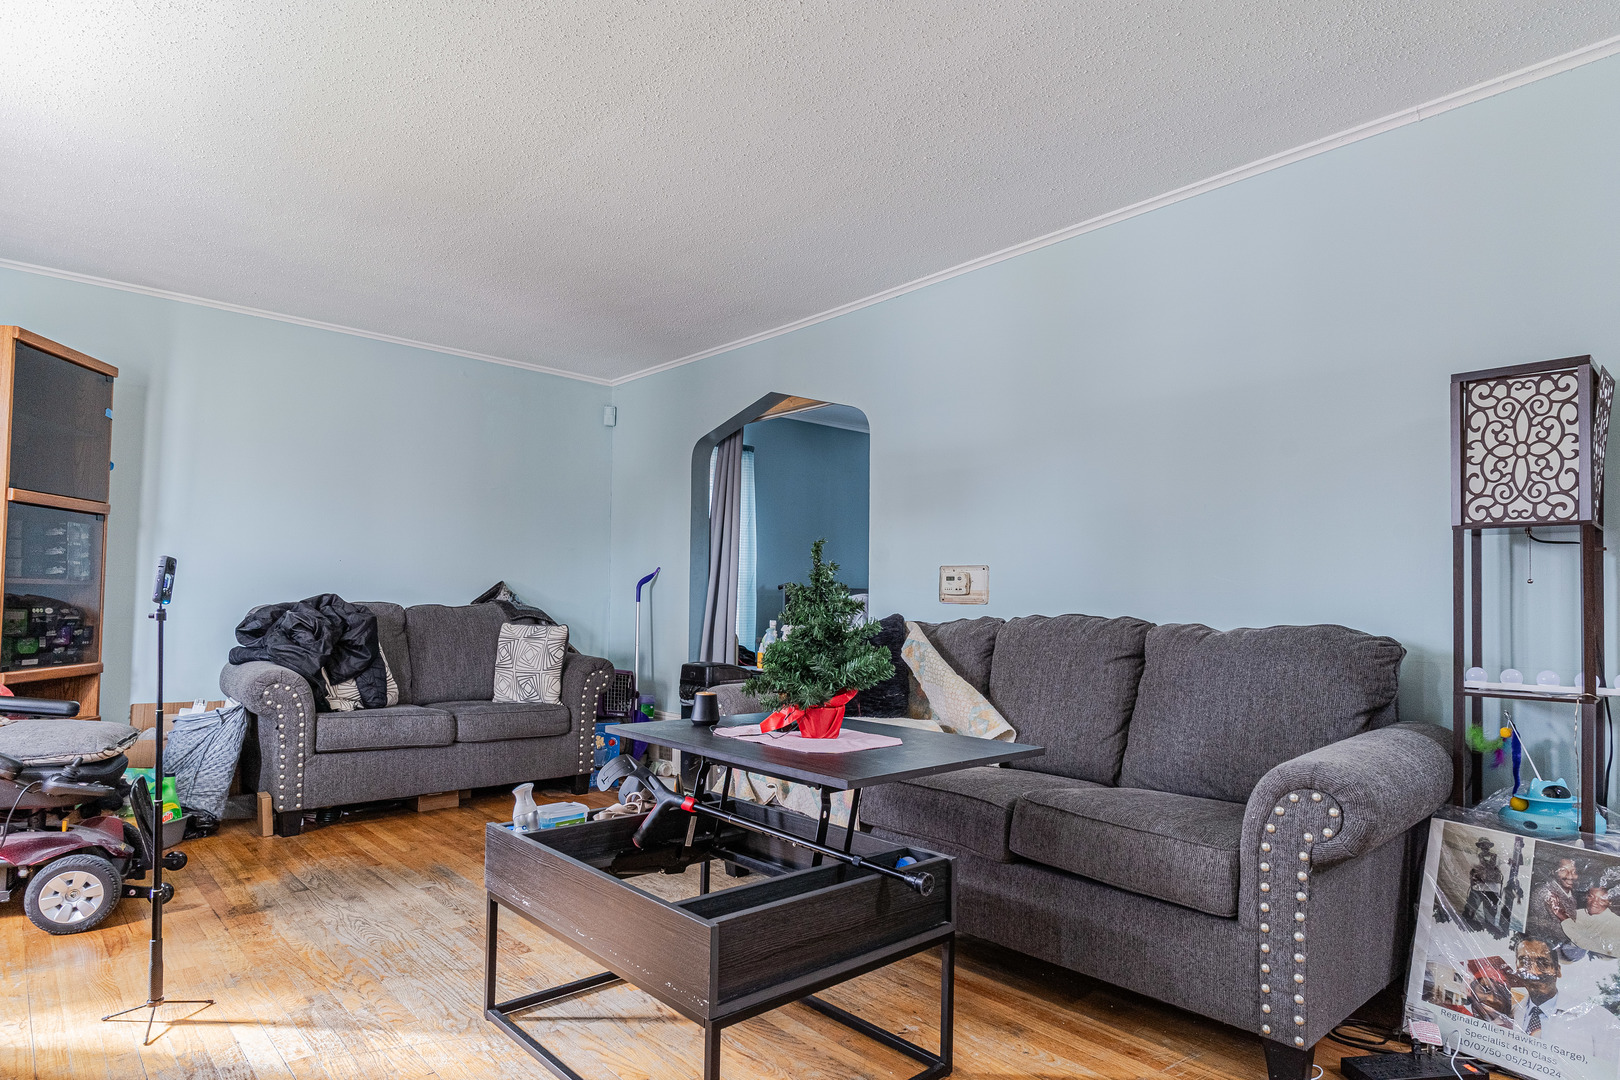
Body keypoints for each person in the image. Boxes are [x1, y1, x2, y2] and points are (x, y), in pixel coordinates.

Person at [1509, 935, 1620, 1059]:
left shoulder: (1600, 1021)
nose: (1534, 971)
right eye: (1525, 962)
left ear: (1558, 970)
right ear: (1516, 967)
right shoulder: (1512, 1014)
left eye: (1543, 963)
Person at [1526, 858, 1586, 960]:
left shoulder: (1573, 896)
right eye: (1563, 870)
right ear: (1554, 872)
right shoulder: (1543, 893)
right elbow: (1537, 926)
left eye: (1574, 871)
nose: (1570, 876)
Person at [1462, 847, 1504, 928]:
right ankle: (1466, 927)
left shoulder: (1496, 858)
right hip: (1479, 889)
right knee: (1470, 911)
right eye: (1483, 846)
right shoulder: (1476, 858)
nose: (1485, 848)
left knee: (1489, 917)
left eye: (1486, 845)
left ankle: (1487, 931)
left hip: (1489, 891)